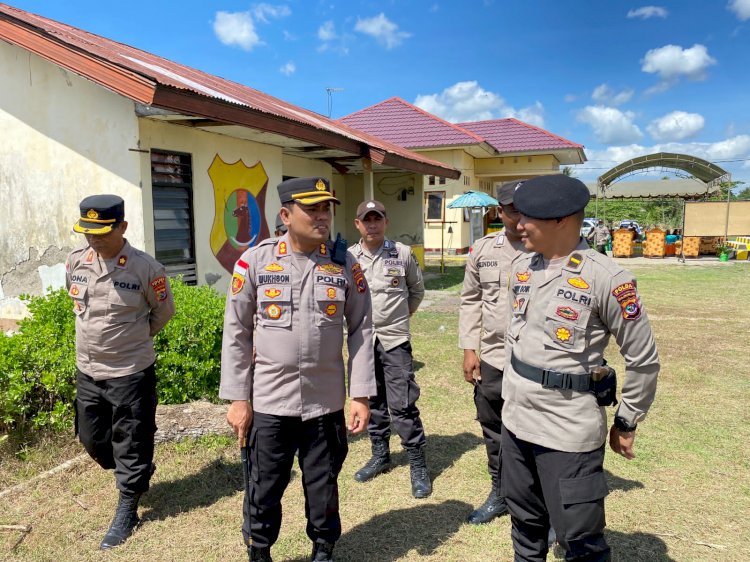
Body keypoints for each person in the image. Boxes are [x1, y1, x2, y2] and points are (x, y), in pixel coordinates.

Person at [502, 174, 660, 561]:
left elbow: (643, 359)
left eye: (528, 217)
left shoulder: (607, 278)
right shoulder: (522, 269)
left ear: (561, 220)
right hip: (516, 420)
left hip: (567, 429)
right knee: (525, 525)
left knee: (579, 540)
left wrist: (627, 421)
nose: (517, 224)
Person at [220, 177, 376, 562]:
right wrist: (239, 398)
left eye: (327, 208)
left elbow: (361, 328)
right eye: (313, 209)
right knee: (264, 486)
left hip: (324, 403)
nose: (323, 216)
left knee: (323, 486)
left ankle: (323, 549)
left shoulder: (344, 263)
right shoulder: (255, 261)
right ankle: (260, 550)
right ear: (286, 215)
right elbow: (236, 332)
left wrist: (360, 394)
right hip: (271, 401)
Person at [65, 194, 175, 549]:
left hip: (130, 371)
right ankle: (137, 471)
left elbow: (163, 312)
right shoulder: (76, 262)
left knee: (130, 438)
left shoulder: (145, 268)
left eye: (101, 232)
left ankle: (128, 503)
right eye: (87, 232)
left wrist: (133, 341)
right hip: (88, 370)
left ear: (122, 227)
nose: (93, 240)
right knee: (91, 438)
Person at [348, 200, 430, 498]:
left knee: (403, 402)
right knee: (372, 398)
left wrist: (399, 317)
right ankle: (380, 455)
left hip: (394, 340)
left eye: (377, 219)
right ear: (357, 224)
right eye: (366, 219)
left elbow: (416, 291)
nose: (372, 224)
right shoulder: (348, 258)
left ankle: (417, 463)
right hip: (362, 342)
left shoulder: (402, 253)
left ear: (386, 221)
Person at [458, 180, 527, 524]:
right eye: (513, 208)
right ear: (500, 212)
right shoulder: (483, 250)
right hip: (493, 356)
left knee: (536, 432)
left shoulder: (551, 247)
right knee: (494, 428)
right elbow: (470, 301)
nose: (521, 216)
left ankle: (538, 505)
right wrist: (470, 348)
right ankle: (499, 492)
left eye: (526, 207)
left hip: (535, 361)